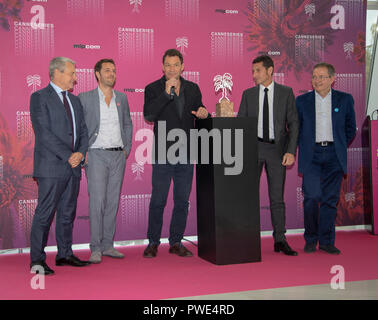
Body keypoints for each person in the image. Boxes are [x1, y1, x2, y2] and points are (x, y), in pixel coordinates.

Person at [143, 48, 209, 258]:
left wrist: (203, 112)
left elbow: (200, 110)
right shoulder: (153, 88)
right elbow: (149, 115)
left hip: (187, 152)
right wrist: (166, 93)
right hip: (164, 152)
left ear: (182, 67)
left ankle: (176, 241)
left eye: (175, 65)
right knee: (158, 199)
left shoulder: (193, 88)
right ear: (163, 67)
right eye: (168, 65)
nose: (172, 69)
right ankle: (153, 242)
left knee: (182, 200)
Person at [29, 57, 90, 275]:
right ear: (57, 73)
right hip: (51, 166)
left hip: (72, 166)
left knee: (67, 213)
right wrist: (69, 155)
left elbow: (83, 131)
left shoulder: (74, 101)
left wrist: (80, 153)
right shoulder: (39, 97)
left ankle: (65, 254)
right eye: (72, 73)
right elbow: (43, 133)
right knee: (44, 214)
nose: (75, 78)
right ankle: (36, 260)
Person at [238, 55, 299, 256]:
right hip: (253, 149)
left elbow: (294, 124)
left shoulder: (286, 93)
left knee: (276, 198)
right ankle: (247, 239)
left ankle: (280, 239)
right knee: (247, 197)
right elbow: (241, 125)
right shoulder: (248, 95)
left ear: (270, 70)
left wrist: (290, 151)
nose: (254, 75)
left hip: (277, 151)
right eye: (253, 71)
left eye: (258, 71)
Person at [296, 63, 356, 255]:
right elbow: (295, 129)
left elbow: (350, 128)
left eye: (321, 77)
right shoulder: (302, 101)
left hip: (334, 155)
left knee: (330, 200)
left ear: (332, 78)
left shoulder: (345, 100)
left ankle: (326, 241)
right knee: (311, 198)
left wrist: (337, 145)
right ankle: (310, 239)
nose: (317, 80)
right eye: (314, 76)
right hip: (311, 155)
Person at [78, 59, 133, 264]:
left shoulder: (122, 98)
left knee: (112, 202)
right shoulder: (85, 98)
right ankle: (95, 247)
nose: (112, 73)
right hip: (96, 155)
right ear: (97, 74)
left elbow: (127, 123)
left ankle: (108, 245)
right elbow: (80, 128)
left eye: (114, 70)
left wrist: (126, 148)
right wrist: (84, 151)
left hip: (118, 155)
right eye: (107, 70)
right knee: (97, 202)